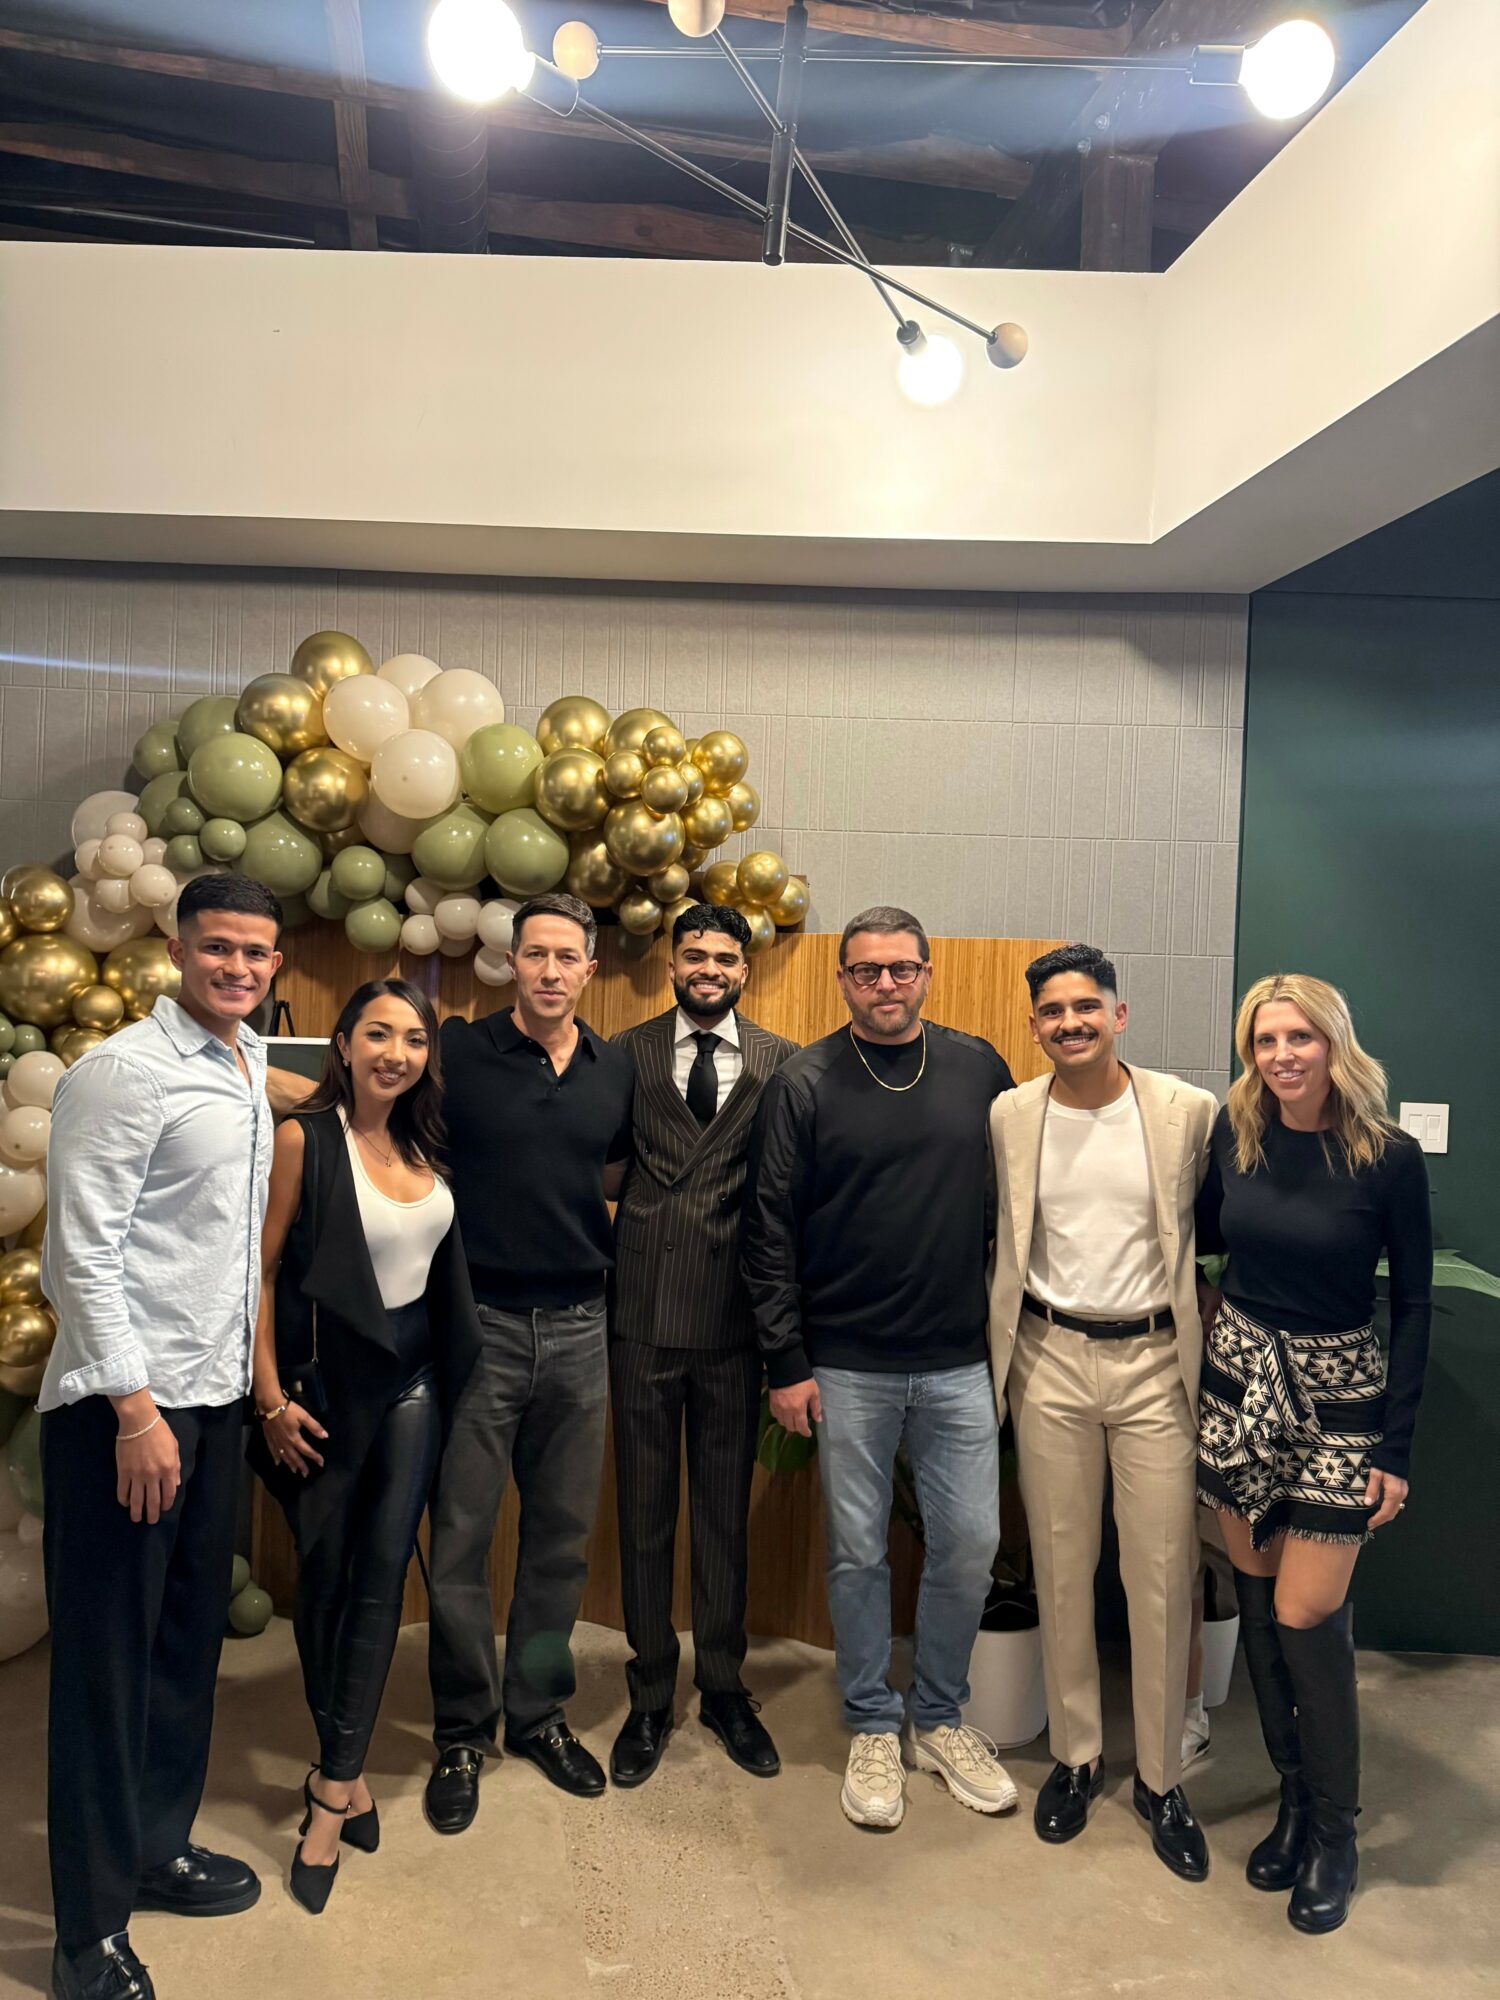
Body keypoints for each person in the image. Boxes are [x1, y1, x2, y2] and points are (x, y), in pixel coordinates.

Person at [38, 875, 283, 2000]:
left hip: (216, 1399)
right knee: (107, 1667)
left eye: (257, 952)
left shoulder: (238, 1065)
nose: (239, 966)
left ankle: (154, 1845)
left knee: (187, 1647)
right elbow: (76, 1255)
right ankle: (85, 1934)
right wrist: (135, 1410)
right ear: (178, 950)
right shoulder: (121, 1072)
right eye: (220, 948)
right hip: (122, 1414)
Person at [742, 906, 1016, 1830]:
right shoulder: (804, 1082)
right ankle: (869, 1720)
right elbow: (768, 1228)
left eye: (902, 970)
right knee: (857, 1553)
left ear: (927, 974)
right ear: (843, 981)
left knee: (971, 1544)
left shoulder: (978, 1066)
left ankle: (938, 1715)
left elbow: (1014, 1205)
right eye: (867, 972)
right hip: (847, 1364)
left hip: (957, 1364)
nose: (886, 986)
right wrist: (786, 1359)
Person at [1195, 973, 1432, 1935]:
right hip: (1240, 1385)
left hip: (1341, 1405)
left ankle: (1338, 1830)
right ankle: (1292, 1798)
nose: (1282, 1056)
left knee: (1307, 1611)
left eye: (1300, 1037)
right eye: (1264, 1040)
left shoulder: (1388, 1157)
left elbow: (1413, 1302)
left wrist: (1395, 1446)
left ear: (1336, 1044)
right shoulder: (1235, 1138)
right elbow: (1206, 1241)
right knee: (1254, 1595)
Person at [249, 979, 481, 1913]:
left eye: (414, 1037)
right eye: (377, 1033)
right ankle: (344, 1772)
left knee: (384, 1581)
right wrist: (266, 1397)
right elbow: (258, 1273)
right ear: (340, 1045)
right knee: (328, 1581)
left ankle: (328, 1792)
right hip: (321, 1394)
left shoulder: (425, 1141)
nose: (397, 1050)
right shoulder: (305, 1138)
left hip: (414, 1383)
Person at [987, 944, 1217, 1883]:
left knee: (1162, 1575)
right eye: (1052, 1010)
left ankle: (1162, 1780)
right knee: (1062, 1562)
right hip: (1047, 1356)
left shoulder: (1183, 1112)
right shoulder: (1010, 1114)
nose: (1070, 1022)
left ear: (1119, 1016)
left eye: (1088, 1006)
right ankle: (1078, 1758)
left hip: (1157, 1361)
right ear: (1035, 1024)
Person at [423, 892, 635, 1830]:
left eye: (568, 957)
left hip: (583, 1330)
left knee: (559, 1542)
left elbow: (618, 1175)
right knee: (461, 1541)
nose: (550, 971)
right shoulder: (459, 1053)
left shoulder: (611, 1069)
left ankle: (538, 1716)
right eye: (534, 954)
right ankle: (463, 1732)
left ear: (591, 969)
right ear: (512, 964)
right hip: (483, 1329)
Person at [608, 903, 797, 1787]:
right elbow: (598, 1166)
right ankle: (650, 1693)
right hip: (641, 1310)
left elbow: (789, 1194)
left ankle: (722, 1687)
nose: (710, 967)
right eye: (695, 955)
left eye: (726, 957)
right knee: (644, 1512)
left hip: (734, 1321)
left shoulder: (780, 1061)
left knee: (722, 1514)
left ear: (745, 971)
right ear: (672, 962)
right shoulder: (626, 1053)